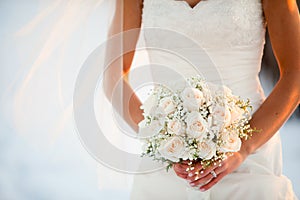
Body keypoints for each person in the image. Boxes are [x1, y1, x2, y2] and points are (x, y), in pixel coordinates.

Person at [103, 0, 300, 199]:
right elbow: (112, 76)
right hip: (167, 160)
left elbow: (296, 74)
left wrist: (242, 147)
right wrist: (159, 137)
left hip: (249, 150)